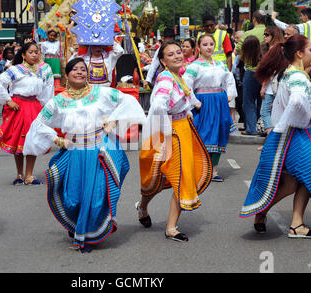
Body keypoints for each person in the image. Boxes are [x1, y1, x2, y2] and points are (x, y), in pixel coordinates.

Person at [23, 58, 146, 252]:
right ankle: (77, 225)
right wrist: (58, 140)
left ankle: (88, 234)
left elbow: (128, 100)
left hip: (99, 151)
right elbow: (38, 124)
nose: (80, 72)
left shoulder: (100, 92)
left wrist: (113, 121)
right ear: (66, 74)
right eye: (75, 69)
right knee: (74, 199)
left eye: (83, 69)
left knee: (97, 197)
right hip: (75, 153)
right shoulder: (58, 101)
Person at [240, 34, 311, 238]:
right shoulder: (297, 77)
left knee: (297, 181)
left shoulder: (288, 73)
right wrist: (288, 123)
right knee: (305, 178)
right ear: (299, 53)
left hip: (294, 133)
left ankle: (288, 220)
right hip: (293, 134)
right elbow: (296, 102)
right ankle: (287, 221)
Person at [137, 41, 212, 242]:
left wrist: (192, 107)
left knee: (180, 177)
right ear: (162, 60)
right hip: (170, 133)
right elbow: (159, 105)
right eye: (171, 54)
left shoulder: (178, 77)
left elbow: (186, 98)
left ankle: (171, 227)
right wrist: (168, 128)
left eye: (179, 52)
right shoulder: (166, 80)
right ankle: (143, 206)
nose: (177, 56)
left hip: (182, 130)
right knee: (159, 178)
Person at [0, 41, 54, 185]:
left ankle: (29, 175)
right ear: (23, 55)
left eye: (36, 52)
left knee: (32, 140)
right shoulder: (16, 70)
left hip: (35, 107)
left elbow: (48, 91)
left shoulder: (44, 70)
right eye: (31, 52)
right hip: (18, 107)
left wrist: (46, 107)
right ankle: (19, 174)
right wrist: (7, 100)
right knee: (19, 140)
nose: (34, 55)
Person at [184, 34, 237, 182]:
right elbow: (186, 85)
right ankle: (200, 168)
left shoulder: (221, 64)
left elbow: (229, 79)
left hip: (219, 102)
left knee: (220, 133)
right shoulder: (194, 66)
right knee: (203, 135)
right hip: (204, 103)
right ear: (199, 48)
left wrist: (230, 94)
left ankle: (214, 170)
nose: (209, 47)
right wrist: (194, 101)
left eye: (211, 44)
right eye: (205, 44)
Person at [257, 27, 285, 144]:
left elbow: (269, 70)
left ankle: (271, 140)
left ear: (274, 36)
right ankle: (272, 140)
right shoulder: (281, 48)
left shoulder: (274, 50)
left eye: (267, 34)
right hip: (277, 84)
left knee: (264, 111)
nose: (264, 36)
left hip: (272, 85)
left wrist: (263, 86)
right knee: (274, 113)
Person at [240, 36, 263, 136]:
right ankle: (261, 127)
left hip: (249, 75)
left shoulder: (245, 56)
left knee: (248, 102)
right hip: (262, 75)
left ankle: (251, 128)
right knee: (261, 103)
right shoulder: (262, 55)